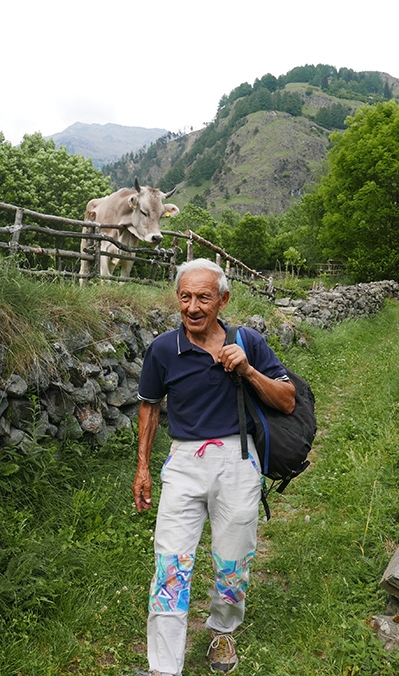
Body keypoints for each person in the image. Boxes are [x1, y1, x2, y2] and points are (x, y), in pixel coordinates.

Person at [133, 258, 296, 675]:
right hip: (184, 462)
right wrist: (143, 468)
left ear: (223, 299)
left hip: (238, 459)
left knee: (233, 559)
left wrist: (247, 369)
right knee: (170, 562)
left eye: (203, 297)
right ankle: (163, 666)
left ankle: (223, 630)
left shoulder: (249, 341)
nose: (192, 307)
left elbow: (286, 399)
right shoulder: (164, 349)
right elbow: (150, 407)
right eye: (185, 297)